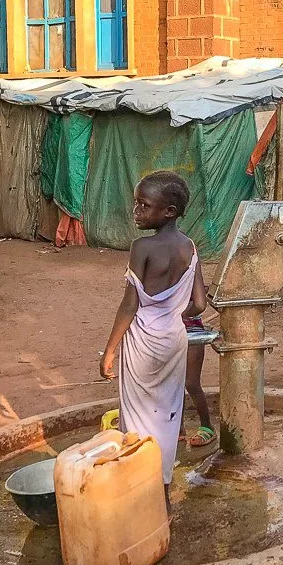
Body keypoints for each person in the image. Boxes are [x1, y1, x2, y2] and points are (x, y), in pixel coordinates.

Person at [100, 171, 207, 499]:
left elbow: (129, 305)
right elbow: (200, 303)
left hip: (142, 342)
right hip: (175, 338)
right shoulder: (189, 247)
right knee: (166, 415)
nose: (136, 211)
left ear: (169, 211)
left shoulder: (142, 247)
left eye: (144, 205)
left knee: (135, 416)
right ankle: (162, 491)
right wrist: (174, 312)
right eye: (137, 204)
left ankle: (137, 493)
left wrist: (109, 350)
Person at [182, 310, 215, 447]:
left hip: (191, 329)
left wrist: (178, 309)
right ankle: (177, 427)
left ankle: (207, 426)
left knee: (191, 383)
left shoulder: (192, 286)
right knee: (174, 383)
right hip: (168, 329)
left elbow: (199, 304)